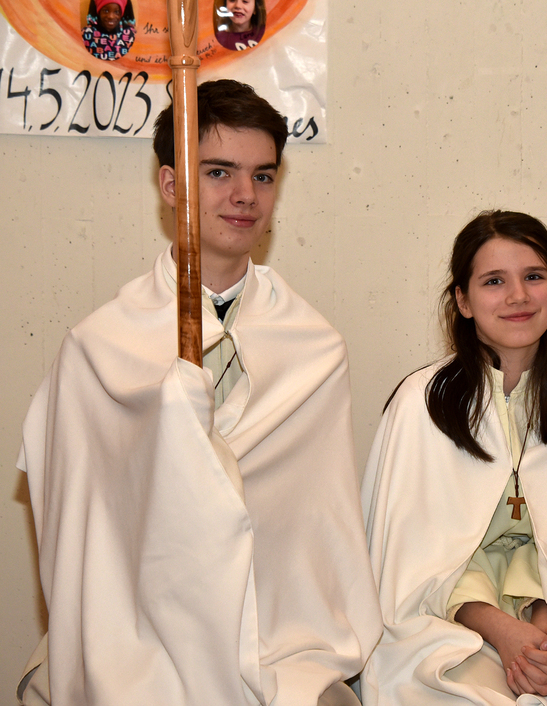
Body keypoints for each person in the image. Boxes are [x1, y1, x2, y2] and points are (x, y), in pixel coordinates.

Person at [16, 79, 381, 706]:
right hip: (138, 633)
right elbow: (80, 527)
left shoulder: (315, 349)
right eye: (218, 172)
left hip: (280, 635)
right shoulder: (101, 350)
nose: (245, 196)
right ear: (170, 185)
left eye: (263, 176)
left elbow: (319, 531)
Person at [360, 211, 547, 705]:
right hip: (443, 624)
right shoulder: (422, 404)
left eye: (534, 277)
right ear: (463, 300)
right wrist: (501, 629)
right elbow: (409, 571)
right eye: (494, 281)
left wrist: (543, 621)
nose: (518, 296)